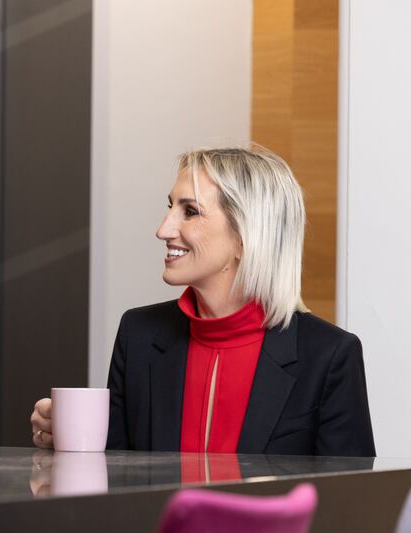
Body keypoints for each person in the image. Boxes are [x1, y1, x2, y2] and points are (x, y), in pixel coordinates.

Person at [30, 146, 376, 456]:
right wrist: (63, 445)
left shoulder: (330, 354)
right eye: (170, 207)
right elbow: (117, 481)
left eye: (190, 211)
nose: (163, 229)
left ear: (246, 237)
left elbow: (351, 506)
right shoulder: (138, 335)